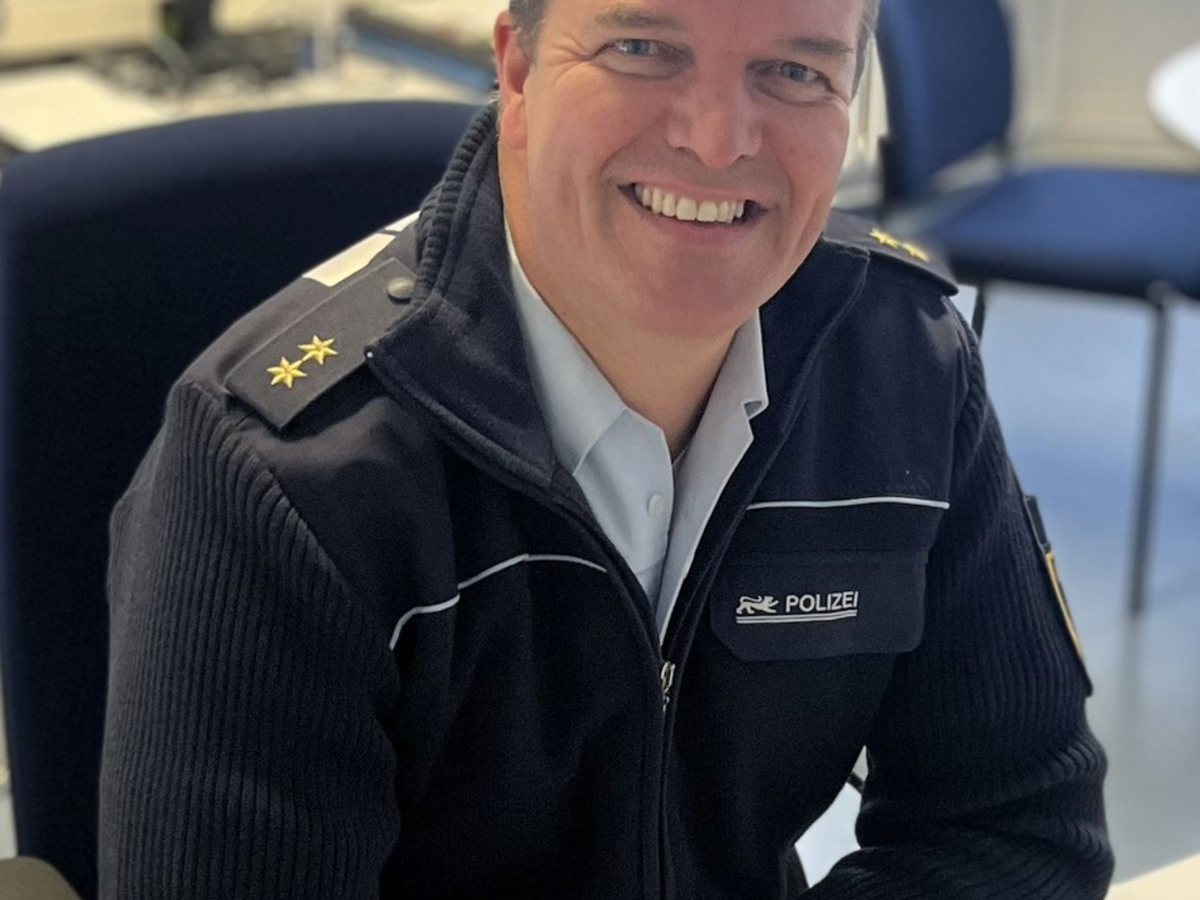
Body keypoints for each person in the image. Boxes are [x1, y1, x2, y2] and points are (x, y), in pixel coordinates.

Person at [99, 0, 1114, 897]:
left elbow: (1019, 826)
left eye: (795, 69)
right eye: (642, 47)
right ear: (518, 72)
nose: (718, 140)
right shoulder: (281, 480)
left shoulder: (901, 365)